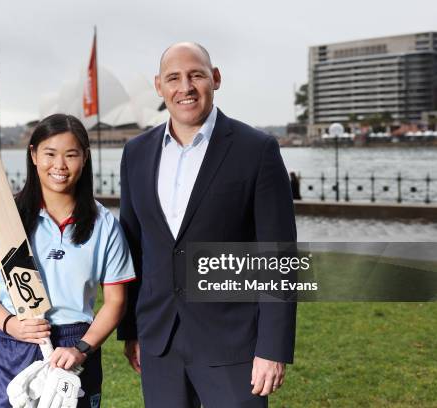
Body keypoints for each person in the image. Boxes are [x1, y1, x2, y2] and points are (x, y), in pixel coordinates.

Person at [117, 43, 297, 407]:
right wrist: (132, 330)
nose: (185, 87)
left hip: (233, 345)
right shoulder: (136, 153)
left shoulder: (256, 150)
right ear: (159, 86)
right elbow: (133, 248)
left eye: (196, 75)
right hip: (160, 343)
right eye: (174, 78)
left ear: (215, 79)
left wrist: (271, 348)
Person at [0, 113, 135, 408]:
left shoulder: (104, 224)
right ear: (33, 155)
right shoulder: (4, 216)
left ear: (85, 158)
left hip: (76, 344)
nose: (60, 166)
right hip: (15, 341)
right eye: (50, 154)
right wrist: (9, 324)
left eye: (71, 155)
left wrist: (81, 349)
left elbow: (116, 302)